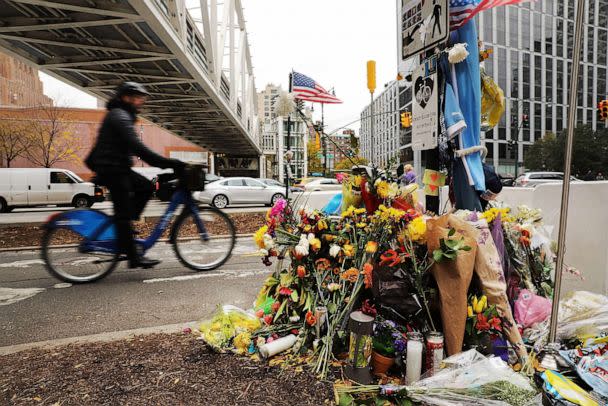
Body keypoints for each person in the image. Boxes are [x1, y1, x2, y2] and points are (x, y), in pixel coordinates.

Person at [85, 82, 185, 268]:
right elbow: (139, 148)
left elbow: (135, 149)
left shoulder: (122, 115)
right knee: (123, 214)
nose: (141, 102)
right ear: (126, 98)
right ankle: (133, 256)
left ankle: (126, 229)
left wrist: (165, 163)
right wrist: (169, 163)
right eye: (138, 98)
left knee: (146, 187)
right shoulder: (119, 116)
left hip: (117, 167)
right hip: (112, 170)